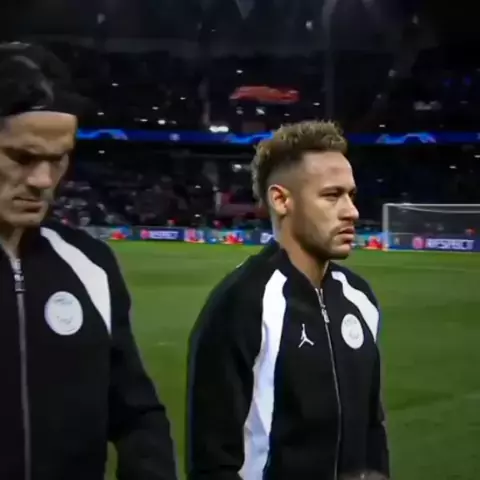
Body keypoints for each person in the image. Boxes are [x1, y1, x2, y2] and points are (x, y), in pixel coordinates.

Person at [0, 42, 177, 480]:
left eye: (58, 159)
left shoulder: (91, 265)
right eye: (22, 157)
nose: (43, 180)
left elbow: (136, 412)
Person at [186, 121, 389, 480]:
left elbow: (373, 428)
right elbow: (212, 461)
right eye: (332, 196)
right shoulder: (242, 304)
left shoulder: (360, 299)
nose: (352, 212)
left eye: (351, 195)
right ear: (281, 200)